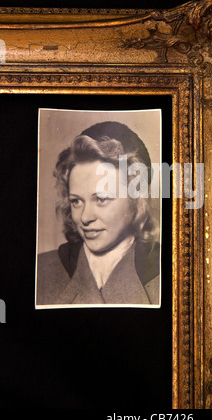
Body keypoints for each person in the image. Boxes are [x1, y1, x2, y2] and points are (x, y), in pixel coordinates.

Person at [36, 121, 160, 306]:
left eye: (101, 199)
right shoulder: (41, 270)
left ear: (137, 199)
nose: (85, 218)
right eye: (76, 201)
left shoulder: (168, 271)